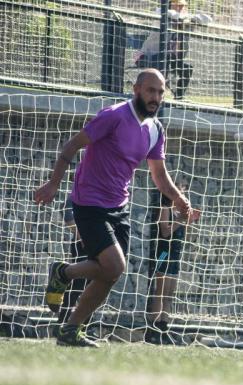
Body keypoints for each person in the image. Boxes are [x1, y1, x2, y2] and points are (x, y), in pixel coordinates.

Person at [34, 68, 199, 347]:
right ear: (136, 89)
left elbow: (159, 175)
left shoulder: (156, 130)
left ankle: (70, 326)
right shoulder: (113, 116)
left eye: (160, 92)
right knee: (114, 265)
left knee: (111, 273)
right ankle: (63, 276)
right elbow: (72, 145)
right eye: (150, 90)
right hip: (88, 202)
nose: (156, 97)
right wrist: (53, 183)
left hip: (118, 207)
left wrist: (179, 200)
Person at [145, 183, 199, 345]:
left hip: (175, 255)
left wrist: (190, 221)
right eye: (182, 194)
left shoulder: (179, 213)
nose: (184, 198)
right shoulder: (165, 209)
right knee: (160, 292)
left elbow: (184, 238)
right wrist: (180, 220)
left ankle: (163, 327)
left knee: (169, 294)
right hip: (163, 254)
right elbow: (165, 231)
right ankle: (153, 330)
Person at [134, 0, 212, 100]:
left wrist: (189, 18)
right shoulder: (162, 16)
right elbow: (160, 11)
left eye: (183, 6)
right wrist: (181, 17)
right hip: (145, 56)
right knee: (164, 59)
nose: (181, 8)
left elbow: (208, 19)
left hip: (169, 59)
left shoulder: (187, 22)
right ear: (170, 5)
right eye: (178, 6)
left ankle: (179, 97)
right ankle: (158, 96)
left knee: (187, 69)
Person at [54, 198, 89, 325]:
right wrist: (81, 235)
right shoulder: (83, 188)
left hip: (103, 244)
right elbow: (66, 209)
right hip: (83, 245)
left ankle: (85, 327)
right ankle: (62, 323)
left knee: (96, 285)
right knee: (78, 285)